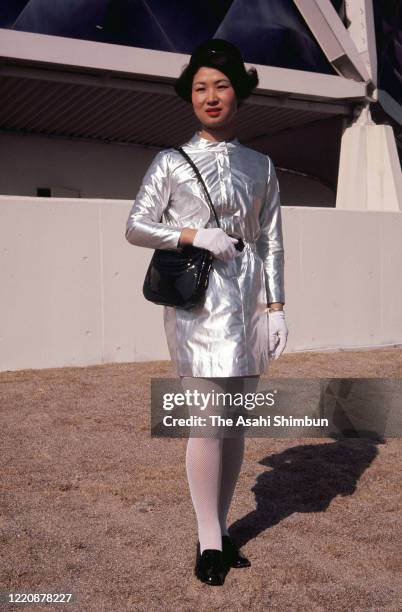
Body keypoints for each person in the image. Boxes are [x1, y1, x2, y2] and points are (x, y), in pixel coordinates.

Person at [125, 38, 288, 586]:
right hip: (197, 306)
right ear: (189, 96)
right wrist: (194, 233)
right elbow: (137, 225)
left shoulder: (261, 164)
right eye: (200, 87)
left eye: (221, 85)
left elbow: (270, 240)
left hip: (248, 307)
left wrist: (277, 305)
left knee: (236, 423)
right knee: (206, 421)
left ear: (239, 93)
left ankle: (219, 526)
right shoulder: (170, 161)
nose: (210, 96)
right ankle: (210, 541)